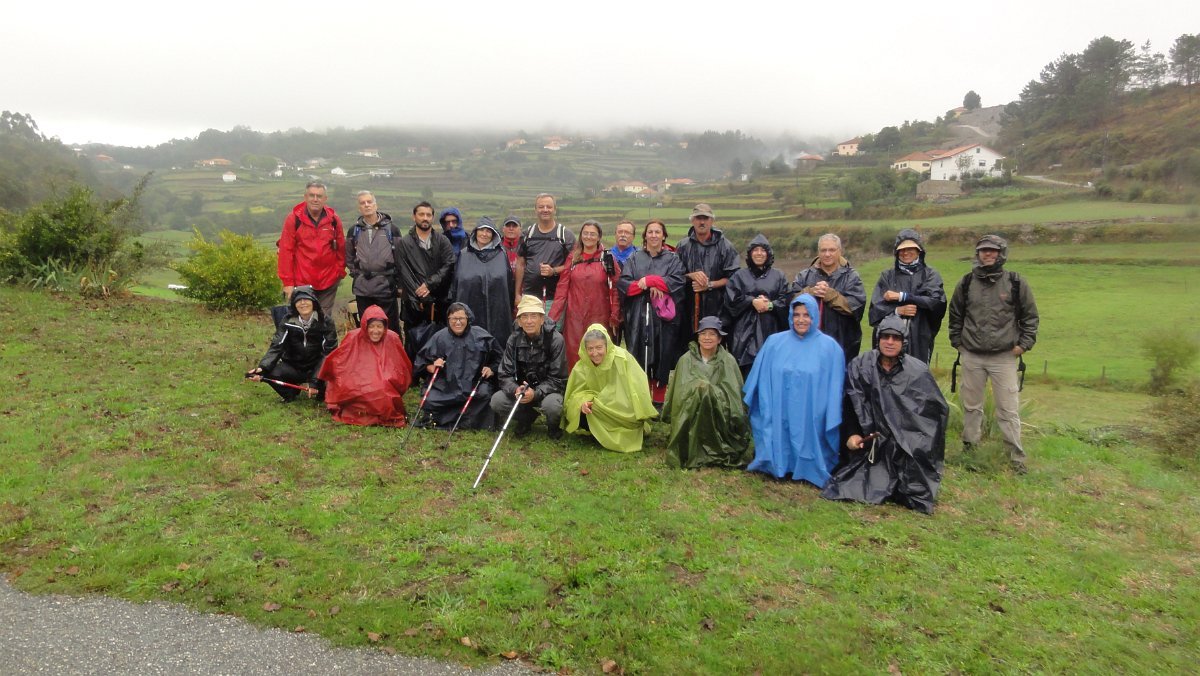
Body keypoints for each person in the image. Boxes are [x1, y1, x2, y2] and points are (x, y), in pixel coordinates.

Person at [821, 315, 948, 514]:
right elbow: (850, 404)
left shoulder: (917, 372)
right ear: (878, 338)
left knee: (912, 486)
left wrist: (908, 439)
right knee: (852, 482)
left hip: (905, 441)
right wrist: (852, 434)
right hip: (871, 440)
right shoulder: (860, 365)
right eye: (885, 337)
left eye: (895, 338)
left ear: (903, 342)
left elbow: (931, 417)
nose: (890, 342)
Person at [948, 234, 1039, 474]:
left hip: (1004, 357)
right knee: (971, 406)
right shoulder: (966, 283)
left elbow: (1030, 317)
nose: (987, 254)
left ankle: (1016, 458)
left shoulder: (1016, 282)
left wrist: (1023, 346)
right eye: (983, 250)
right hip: (972, 355)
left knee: (1008, 409)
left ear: (1001, 253)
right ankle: (970, 449)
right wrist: (958, 343)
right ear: (977, 254)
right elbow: (955, 315)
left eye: (992, 250)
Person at [743, 294, 845, 487]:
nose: (801, 319)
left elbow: (835, 387)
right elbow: (758, 378)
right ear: (790, 315)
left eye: (806, 315)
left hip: (811, 410)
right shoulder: (774, 343)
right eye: (796, 314)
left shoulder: (830, 348)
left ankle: (808, 467)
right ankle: (778, 463)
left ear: (815, 316)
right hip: (779, 406)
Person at [662, 317, 752, 469]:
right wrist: (698, 389)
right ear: (698, 337)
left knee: (703, 390)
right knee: (700, 390)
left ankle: (714, 443)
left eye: (712, 334)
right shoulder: (685, 360)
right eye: (703, 333)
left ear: (719, 339)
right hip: (691, 410)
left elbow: (733, 395)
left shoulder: (728, 361)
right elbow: (678, 393)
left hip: (719, 412)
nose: (707, 338)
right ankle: (691, 443)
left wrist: (708, 391)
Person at [616, 220, 686, 405]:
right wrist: (646, 285)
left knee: (663, 355)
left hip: (664, 318)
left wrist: (651, 280)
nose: (654, 235)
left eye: (658, 232)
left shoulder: (673, 259)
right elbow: (625, 285)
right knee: (640, 355)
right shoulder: (634, 258)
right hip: (639, 314)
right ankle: (643, 397)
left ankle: (659, 399)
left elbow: (677, 282)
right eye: (650, 232)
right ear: (645, 236)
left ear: (664, 236)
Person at [561, 325, 657, 452]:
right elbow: (574, 394)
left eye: (599, 347)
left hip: (623, 410)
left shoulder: (623, 358)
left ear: (607, 345)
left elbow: (639, 388)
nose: (595, 353)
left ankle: (614, 431)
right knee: (583, 412)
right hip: (597, 409)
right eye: (590, 349)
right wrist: (581, 403)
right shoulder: (582, 365)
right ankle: (601, 430)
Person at [317, 305, 413, 427]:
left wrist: (387, 378)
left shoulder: (392, 338)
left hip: (384, 382)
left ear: (385, 327)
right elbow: (340, 361)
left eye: (379, 326)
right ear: (365, 326)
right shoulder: (353, 337)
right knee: (359, 388)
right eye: (371, 326)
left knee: (382, 389)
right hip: (357, 378)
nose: (375, 331)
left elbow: (401, 366)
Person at [491, 295, 568, 439]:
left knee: (552, 406)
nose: (529, 321)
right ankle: (526, 419)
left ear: (542, 319)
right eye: (524, 317)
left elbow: (559, 379)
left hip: (549, 392)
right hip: (522, 391)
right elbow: (504, 374)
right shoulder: (513, 339)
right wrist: (515, 389)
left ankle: (553, 427)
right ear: (519, 321)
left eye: (534, 316)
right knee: (497, 401)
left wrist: (536, 393)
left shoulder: (556, 340)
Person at [413, 303, 500, 430]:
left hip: (474, 385)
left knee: (485, 394)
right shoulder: (439, 337)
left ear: (468, 319)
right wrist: (432, 366)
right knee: (429, 399)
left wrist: (491, 369)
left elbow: (500, 359)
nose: (457, 322)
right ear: (448, 319)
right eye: (454, 319)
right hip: (446, 387)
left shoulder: (482, 336)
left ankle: (471, 422)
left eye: (461, 318)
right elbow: (421, 363)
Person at [549, 220, 621, 370]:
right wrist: (552, 318)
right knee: (574, 355)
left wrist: (615, 316)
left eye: (592, 234)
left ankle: (601, 390)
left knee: (599, 354)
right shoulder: (573, 258)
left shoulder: (607, 258)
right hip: (574, 318)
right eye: (585, 233)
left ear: (599, 236)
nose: (588, 237)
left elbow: (616, 288)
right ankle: (576, 390)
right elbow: (562, 289)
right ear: (581, 236)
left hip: (600, 317)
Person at [868, 228, 946, 364]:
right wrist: (897, 311)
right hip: (889, 342)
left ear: (919, 251)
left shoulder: (930, 275)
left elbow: (936, 303)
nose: (905, 253)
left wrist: (903, 297)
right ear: (896, 253)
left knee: (917, 379)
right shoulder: (887, 277)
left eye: (910, 248)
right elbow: (874, 313)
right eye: (901, 250)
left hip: (920, 339)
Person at [247, 286, 338, 401]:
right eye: (298, 300)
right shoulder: (287, 321)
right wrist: (262, 368)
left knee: (327, 392)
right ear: (294, 304)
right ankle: (291, 394)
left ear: (314, 302)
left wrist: (315, 381)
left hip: (317, 367)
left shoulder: (326, 321)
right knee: (271, 371)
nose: (303, 303)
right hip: (294, 366)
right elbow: (277, 346)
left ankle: (319, 390)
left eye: (306, 299)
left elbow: (329, 353)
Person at [396, 201, 456, 363]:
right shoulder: (404, 243)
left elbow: (449, 264)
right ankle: (413, 373)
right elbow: (403, 271)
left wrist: (430, 284)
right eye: (421, 214)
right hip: (413, 299)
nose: (425, 218)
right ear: (414, 217)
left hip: (438, 298)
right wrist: (419, 293)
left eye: (428, 215)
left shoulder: (442, 241)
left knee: (438, 336)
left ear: (433, 218)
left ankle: (435, 370)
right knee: (412, 337)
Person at [792, 233, 866, 364]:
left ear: (840, 252)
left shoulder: (851, 277)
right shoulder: (804, 276)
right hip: (808, 344)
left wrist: (830, 295)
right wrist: (810, 292)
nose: (827, 254)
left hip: (843, 344)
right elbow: (791, 301)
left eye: (831, 250)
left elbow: (855, 307)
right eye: (823, 250)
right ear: (818, 252)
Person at [277, 181, 345, 318]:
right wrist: (288, 283)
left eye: (319, 196)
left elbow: (341, 248)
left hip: (328, 281)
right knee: (303, 319)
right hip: (302, 282)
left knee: (324, 319)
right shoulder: (293, 219)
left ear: (325, 199)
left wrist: (339, 271)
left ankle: (324, 340)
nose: (315, 199)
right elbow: (286, 251)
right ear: (305, 197)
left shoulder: (334, 220)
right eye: (312, 195)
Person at [725, 234, 789, 377]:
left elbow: (786, 300)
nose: (759, 253)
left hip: (770, 332)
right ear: (750, 253)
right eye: (755, 250)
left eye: (762, 250)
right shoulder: (739, 276)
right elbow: (730, 301)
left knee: (769, 375)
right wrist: (751, 301)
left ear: (768, 253)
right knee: (745, 378)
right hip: (743, 337)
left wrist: (770, 305)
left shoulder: (779, 276)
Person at [675, 203, 739, 338]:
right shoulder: (683, 246)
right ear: (692, 220)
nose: (702, 222)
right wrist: (690, 275)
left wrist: (709, 285)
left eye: (706, 218)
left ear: (712, 221)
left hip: (718, 309)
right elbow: (674, 276)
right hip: (688, 309)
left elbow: (734, 278)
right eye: (698, 218)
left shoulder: (726, 247)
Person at [345, 190, 402, 334]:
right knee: (366, 328)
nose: (366, 205)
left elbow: (400, 258)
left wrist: (399, 283)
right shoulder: (354, 231)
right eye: (362, 203)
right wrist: (357, 274)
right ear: (359, 208)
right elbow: (349, 256)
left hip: (386, 286)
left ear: (376, 205)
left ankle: (392, 356)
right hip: (363, 289)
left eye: (369, 202)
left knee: (390, 328)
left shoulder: (391, 229)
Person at [453, 217, 515, 347]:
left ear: (493, 234)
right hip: (470, 307)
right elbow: (457, 284)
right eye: (481, 230)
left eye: (489, 231)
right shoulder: (464, 255)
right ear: (475, 232)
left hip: (498, 312)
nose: (484, 234)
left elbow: (508, 285)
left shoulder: (501, 255)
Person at [514, 193, 575, 310]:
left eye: (549, 207)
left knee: (553, 328)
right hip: (529, 297)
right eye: (541, 207)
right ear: (535, 210)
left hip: (556, 298)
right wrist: (517, 294)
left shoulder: (565, 235)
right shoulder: (527, 235)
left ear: (555, 210)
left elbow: (573, 264)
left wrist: (554, 271)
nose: (545, 210)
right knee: (530, 328)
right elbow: (520, 264)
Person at [609, 219, 639, 345]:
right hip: (611, 309)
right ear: (615, 234)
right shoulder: (607, 256)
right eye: (620, 231)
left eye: (627, 232)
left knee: (633, 346)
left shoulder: (639, 257)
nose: (622, 235)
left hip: (633, 308)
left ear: (633, 236)